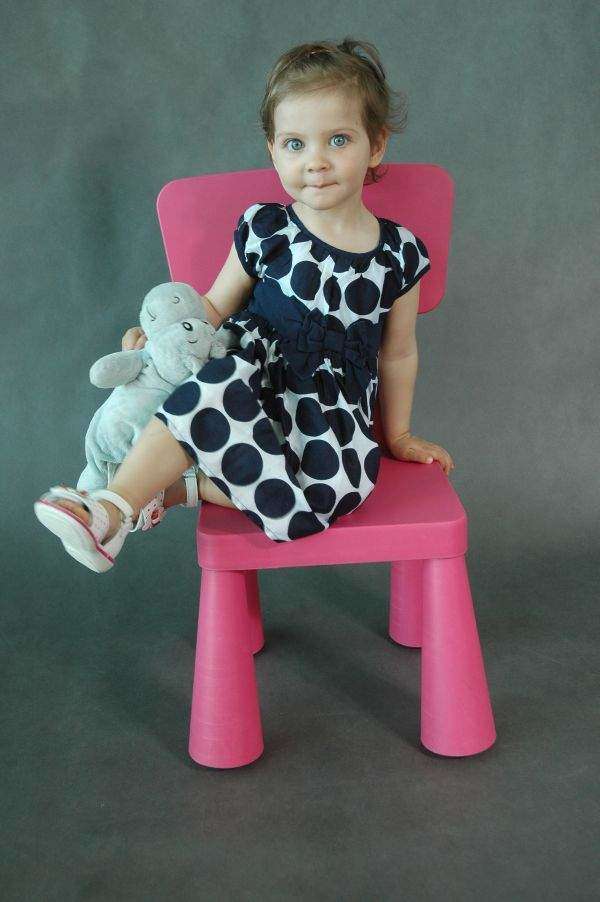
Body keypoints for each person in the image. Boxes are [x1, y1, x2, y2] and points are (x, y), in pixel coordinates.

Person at [34, 36, 454, 572]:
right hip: (250, 382)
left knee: (329, 495)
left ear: (376, 145)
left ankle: (178, 489)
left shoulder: (399, 254)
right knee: (211, 389)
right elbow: (213, 306)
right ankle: (112, 510)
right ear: (273, 150)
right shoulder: (267, 229)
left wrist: (397, 434)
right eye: (295, 144)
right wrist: (162, 335)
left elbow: (397, 353)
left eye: (338, 140)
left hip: (328, 413)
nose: (316, 161)